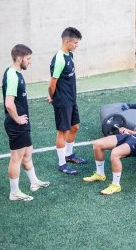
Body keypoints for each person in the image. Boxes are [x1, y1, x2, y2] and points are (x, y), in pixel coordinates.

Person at [2, 44, 50, 201]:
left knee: (28, 154)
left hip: (22, 122)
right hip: (16, 124)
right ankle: (14, 192)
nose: (30, 62)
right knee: (16, 158)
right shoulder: (12, 75)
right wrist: (17, 119)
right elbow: (9, 104)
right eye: (28, 59)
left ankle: (34, 182)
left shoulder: (17, 73)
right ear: (19, 58)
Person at [47, 27, 86, 175]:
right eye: (75, 43)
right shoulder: (59, 59)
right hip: (63, 101)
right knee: (63, 131)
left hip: (71, 99)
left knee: (74, 127)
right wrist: (52, 96)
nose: (77, 45)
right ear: (66, 41)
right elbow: (52, 83)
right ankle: (62, 164)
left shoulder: (69, 54)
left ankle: (69, 155)